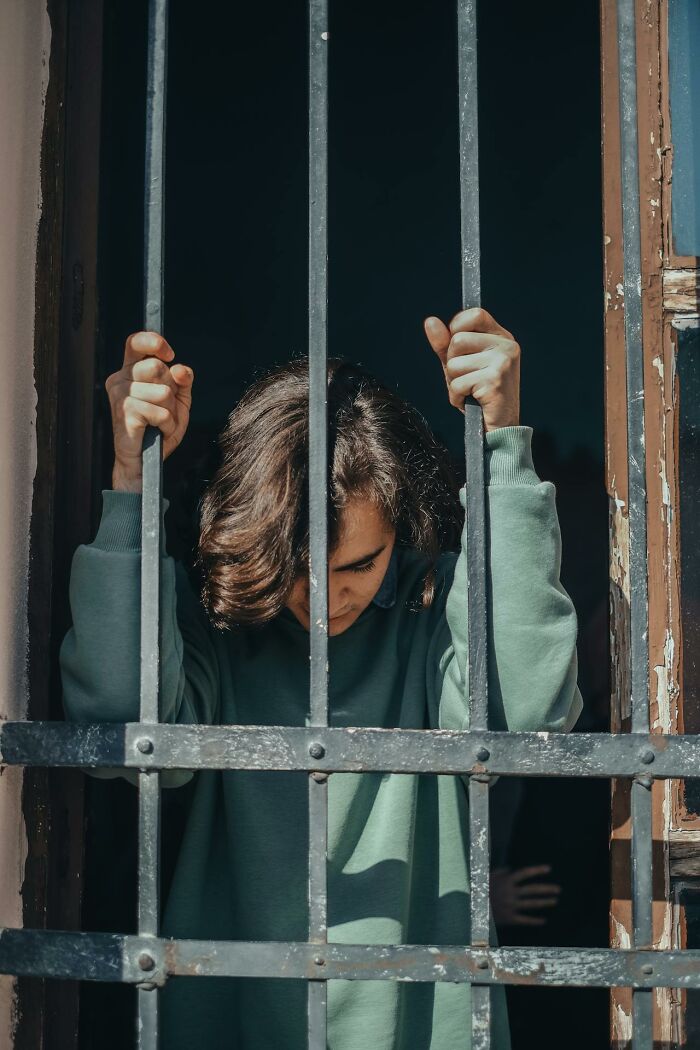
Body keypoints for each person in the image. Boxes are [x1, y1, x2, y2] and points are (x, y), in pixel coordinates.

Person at [60, 308, 583, 1049]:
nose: (328, 598)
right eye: (298, 570)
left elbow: (528, 711)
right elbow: (117, 716)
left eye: (359, 565)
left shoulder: (435, 617)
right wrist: (131, 480)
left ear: (399, 534)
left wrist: (501, 450)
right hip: (231, 1019)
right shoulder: (219, 634)